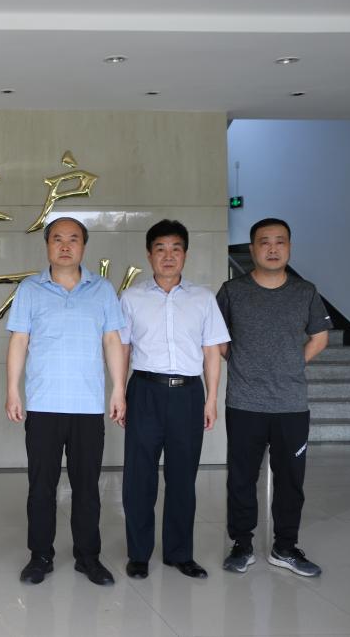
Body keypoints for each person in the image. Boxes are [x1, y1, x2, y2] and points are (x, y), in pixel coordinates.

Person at [5, 216, 126, 586]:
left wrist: (118, 389)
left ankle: (88, 557)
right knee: (41, 487)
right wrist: (13, 390)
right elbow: (19, 341)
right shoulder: (30, 289)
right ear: (47, 245)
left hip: (87, 406)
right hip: (43, 404)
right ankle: (40, 556)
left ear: (84, 246)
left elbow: (112, 341)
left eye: (73, 239)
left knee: (87, 487)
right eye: (57, 238)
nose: (65, 245)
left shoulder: (102, 289)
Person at [217, 217, 330, 577]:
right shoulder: (232, 291)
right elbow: (216, 337)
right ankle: (242, 544)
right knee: (241, 478)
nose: (272, 248)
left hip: (291, 405)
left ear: (289, 248)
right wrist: (240, 361)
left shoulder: (305, 291)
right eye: (264, 242)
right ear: (252, 249)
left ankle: (285, 547)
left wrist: (293, 363)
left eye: (280, 241)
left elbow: (320, 337)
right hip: (244, 402)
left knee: (291, 480)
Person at [119, 219, 229, 580]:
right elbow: (122, 349)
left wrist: (211, 399)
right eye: (161, 249)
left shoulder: (203, 298)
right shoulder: (131, 298)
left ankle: (180, 554)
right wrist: (118, 392)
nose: (168, 256)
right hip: (144, 391)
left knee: (183, 478)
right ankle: (139, 554)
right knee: (139, 478)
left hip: (188, 394)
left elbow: (212, 351)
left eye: (176, 249)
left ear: (185, 254)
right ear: (149, 254)